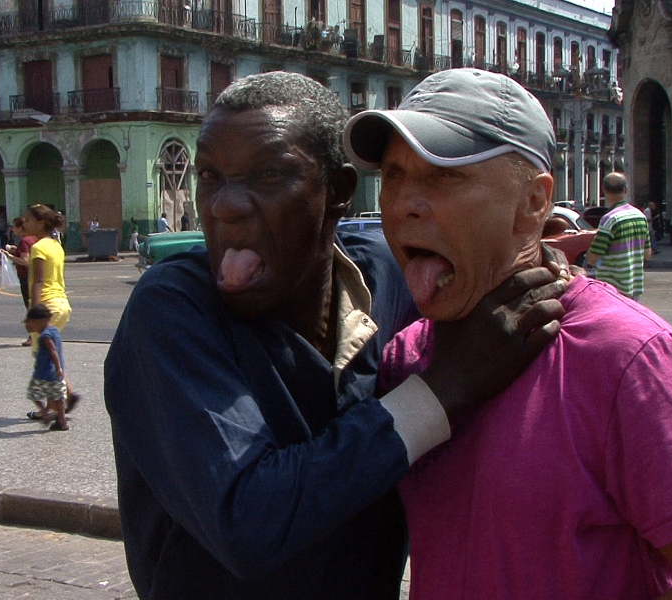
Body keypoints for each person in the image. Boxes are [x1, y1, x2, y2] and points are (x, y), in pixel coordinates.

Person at [104, 71, 566, 599]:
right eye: (210, 175)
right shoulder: (172, 309)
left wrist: (541, 261)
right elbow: (246, 521)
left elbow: (483, 283)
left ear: (339, 191)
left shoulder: (388, 278)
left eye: (269, 175)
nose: (225, 205)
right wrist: (440, 393)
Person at [345, 67, 672, 600]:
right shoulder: (407, 357)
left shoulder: (628, 358)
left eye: (443, 176)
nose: (403, 204)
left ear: (533, 203)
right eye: (393, 175)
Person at [21, 204, 81, 410]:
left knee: (43, 359)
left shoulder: (38, 248)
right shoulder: (56, 245)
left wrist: (33, 313)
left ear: (41, 223)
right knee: (48, 354)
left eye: (28, 219)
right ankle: (66, 396)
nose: (25, 223)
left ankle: (56, 406)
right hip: (61, 304)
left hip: (47, 306)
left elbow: (38, 281)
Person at [585, 172, 652, 300]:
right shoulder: (640, 216)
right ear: (626, 189)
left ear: (603, 190)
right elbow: (647, 254)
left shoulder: (610, 219)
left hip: (613, 290)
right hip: (634, 287)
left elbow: (593, 257)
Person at [23, 304, 70, 431]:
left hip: (44, 373)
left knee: (33, 394)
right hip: (56, 374)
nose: (32, 327)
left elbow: (53, 351)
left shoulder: (45, 336)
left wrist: (58, 367)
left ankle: (45, 412)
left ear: (40, 321)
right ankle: (62, 421)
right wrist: (59, 369)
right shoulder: (55, 331)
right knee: (57, 397)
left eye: (33, 323)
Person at [0, 217, 37, 346]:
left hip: (26, 276)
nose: (12, 229)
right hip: (34, 275)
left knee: (30, 306)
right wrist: (16, 251)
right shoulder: (32, 239)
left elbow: (25, 261)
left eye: (14, 227)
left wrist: (10, 256)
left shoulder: (24, 241)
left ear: (20, 228)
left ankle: (33, 336)